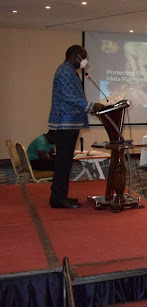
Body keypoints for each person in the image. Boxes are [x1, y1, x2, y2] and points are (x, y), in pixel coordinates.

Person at [48, 45, 105, 208]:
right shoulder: (65, 71)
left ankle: (61, 195)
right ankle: (58, 198)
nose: (85, 61)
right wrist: (91, 106)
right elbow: (68, 97)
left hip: (70, 123)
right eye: (84, 57)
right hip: (64, 124)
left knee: (65, 163)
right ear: (76, 56)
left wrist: (90, 108)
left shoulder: (70, 71)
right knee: (63, 163)